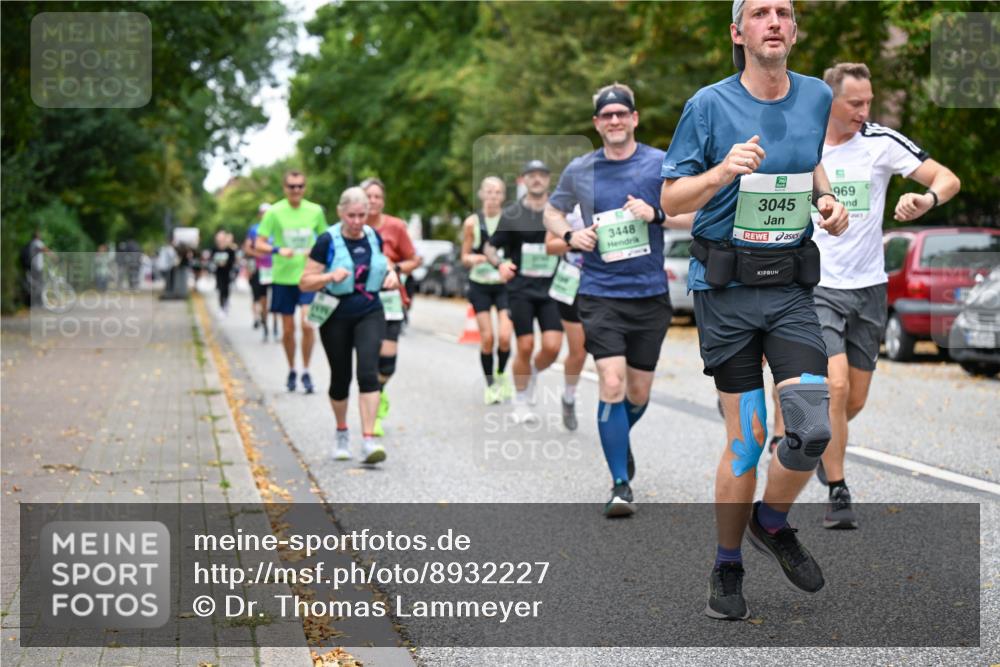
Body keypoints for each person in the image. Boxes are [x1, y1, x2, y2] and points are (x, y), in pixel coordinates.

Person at [660, 0, 849, 620]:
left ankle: (770, 522)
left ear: (793, 30)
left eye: (784, 12)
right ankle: (727, 564)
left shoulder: (818, 95)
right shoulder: (707, 106)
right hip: (727, 293)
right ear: (738, 32)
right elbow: (668, 199)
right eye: (760, 12)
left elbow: (809, 158)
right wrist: (720, 172)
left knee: (811, 427)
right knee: (745, 444)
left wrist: (827, 201)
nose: (774, 21)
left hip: (791, 284)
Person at [797, 62, 959, 528]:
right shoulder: (803, 144)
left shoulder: (881, 143)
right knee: (836, 385)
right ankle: (838, 490)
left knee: (854, 400)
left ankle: (801, 430)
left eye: (868, 102)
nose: (864, 111)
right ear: (831, 103)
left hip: (869, 287)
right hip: (818, 285)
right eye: (855, 104)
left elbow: (946, 178)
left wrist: (926, 200)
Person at [545, 83, 693, 515]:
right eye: (606, 115)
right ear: (596, 123)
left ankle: (618, 441)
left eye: (620, 114)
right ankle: (620, 484)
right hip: (599, 293)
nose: (614, 121)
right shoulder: (580, 169)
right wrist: (571, 235)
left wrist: (658, 214)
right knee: (611, 383)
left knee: (639, 393)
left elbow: (697, 210)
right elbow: (551, 212)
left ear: (634, 118)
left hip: (649, 295)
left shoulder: (659, 164)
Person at [300, 187, 401, 464]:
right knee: (340, 377)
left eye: (362, 215)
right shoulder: (326, 241)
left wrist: (391, 274)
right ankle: (342, 433)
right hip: (335, 315)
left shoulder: (373, 236)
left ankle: (368, 441)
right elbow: (305, 281)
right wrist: (330, 276)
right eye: (351, 216)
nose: (357, 222)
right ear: (340, 213)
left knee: (368, 372)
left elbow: (385, 263)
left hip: (370, 311)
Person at [485, 160, 563, 425]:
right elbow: (489, 247)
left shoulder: (558, 211)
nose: (537, 179)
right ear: (523, 180)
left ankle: (529, 373)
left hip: (552, 289)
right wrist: (500, 264)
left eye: (542, 175)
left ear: (548, 179)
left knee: (552, 347)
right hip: (520, 289)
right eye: (532, 175)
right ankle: (520, 401)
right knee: (526, 345)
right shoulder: (512, 214)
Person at [255, 170, 328, 393]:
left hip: (308, 277)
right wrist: (278, 249)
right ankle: (292, 369)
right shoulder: (274, 212)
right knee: (288, 330)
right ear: (284, 188)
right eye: (291, 186)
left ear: (305, 188)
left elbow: (326, 240)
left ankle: (306, 370)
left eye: (300, 186)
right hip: (283, 278)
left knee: (307, 324)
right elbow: (259, 244)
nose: (296, 190)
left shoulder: (315, 210)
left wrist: (315, 251)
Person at [360, 177, 422, 436]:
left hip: (390, 299)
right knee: (368, 360)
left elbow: (414, 259)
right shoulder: (353, 224)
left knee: (387, 365)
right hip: (362, 301)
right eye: (369, 196)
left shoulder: (395, 226)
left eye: (378, 197)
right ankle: (371, 418)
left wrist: (395, 268)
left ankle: (380, 391)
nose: (373, 201)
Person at [461, 176, 514, 404]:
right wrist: (477, 258)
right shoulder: (472, 222)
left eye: (497, 192)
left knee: (504, 337)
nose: (493, 196)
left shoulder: (510, 221)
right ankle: (491, 385)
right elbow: (464, 257)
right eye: (489, 192)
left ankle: (502, 374)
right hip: (480, 285)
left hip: (504, 286)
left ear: (503, 196)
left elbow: (515, 253)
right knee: (487, 338)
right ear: (481, 194)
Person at [543, 205, 589, 431]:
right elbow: (550, 246)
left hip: (609, 282)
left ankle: (611, 404)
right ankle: (569, 398)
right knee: (579, 352)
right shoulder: (567, 203)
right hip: (573, 282)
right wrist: (577, 240)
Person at [245, 203, 277, 341]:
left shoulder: (277, 229)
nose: (265, 215)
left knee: (276, 301)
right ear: (260, 214)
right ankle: (265, 328)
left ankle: (276, 328)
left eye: (268, 212)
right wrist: (258, 254)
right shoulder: (254, 229)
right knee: (263, 300)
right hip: (262, 269)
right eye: (263, 212)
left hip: (277, 270)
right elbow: (247, 248)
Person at [213, 229, 237, 315]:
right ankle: (221, 307)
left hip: (227, 272)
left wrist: (225, 263)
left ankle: (226, 303)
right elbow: (212, 259)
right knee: (220, 289)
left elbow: (233, 260)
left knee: (226, 289)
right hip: (218, 272)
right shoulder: (215, 249)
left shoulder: (229, 249)